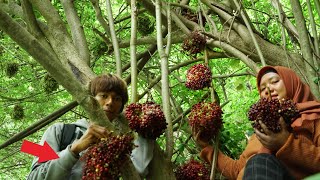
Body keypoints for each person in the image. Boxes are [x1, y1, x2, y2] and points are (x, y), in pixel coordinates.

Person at [193, 66, 320, 180]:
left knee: (260, 161)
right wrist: (206, 148)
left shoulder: (314, 117)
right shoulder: (262, 131)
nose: (268, 89)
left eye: (275, 81)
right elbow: (238, 170)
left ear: (292, 83)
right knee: (256, 162)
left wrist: (286, 143)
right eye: (262, 88)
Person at [27, 74, 154, 179]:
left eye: (117, 98)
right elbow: (34, 176)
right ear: (91, 99)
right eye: (104, 96)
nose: (110, 102)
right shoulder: (59, 130)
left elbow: (138, 172)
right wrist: (73, 150)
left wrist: (147, 130)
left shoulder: (120, 143)